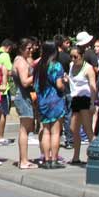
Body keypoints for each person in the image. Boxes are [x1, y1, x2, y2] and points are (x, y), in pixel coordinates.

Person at [36, 40, 67, 169]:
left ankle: (46, 159)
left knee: (45, 131)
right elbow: (59, 85)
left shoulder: (39, 66)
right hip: (55, 101)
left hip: (43, 100)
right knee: (55, 132)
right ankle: (54, 160)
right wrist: (65, 82)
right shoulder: (56, 65)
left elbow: (35, 85)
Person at [67, 46, 97, 166]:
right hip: (75, 99)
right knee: (73, 129)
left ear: (82, 56)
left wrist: (92, 103)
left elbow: (93, 86)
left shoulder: (88, 68)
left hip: (85, 99)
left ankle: (94, 155)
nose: (73, 59)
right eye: (71, 56)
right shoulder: (71, 66)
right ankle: (76, 157)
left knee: (87, 129)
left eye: (76, 56)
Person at [13, 38, 38, 169]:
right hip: (22, 97)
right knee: (24, 129)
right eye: (28, 48)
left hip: (24, 97)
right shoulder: (21, 62)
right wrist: (37, 75)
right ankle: (23, 161)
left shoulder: (22, 60)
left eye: (31, 48)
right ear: (21, 48)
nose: (31, 50)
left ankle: (23, 159)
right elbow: (24, 82)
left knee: (26, 129)